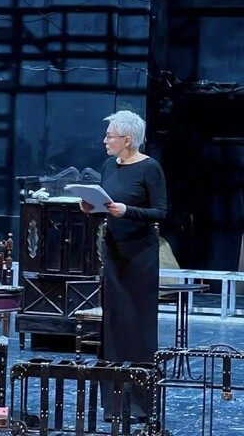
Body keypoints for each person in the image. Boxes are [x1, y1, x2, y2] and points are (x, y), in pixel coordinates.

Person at [80, 109, 167, 422]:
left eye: (110, 136)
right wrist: (90, 206)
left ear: (127, 140)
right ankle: (114, 405)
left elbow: (160, 212)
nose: (105, 141)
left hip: (139, 258)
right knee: (114, 327)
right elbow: (104, 205)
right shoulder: (109, 165)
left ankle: (141, 405)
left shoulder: (149, 168)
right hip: (114, 254)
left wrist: (128, 210)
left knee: (137, 327)